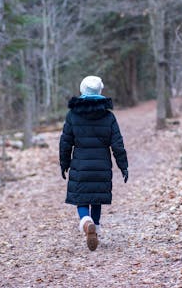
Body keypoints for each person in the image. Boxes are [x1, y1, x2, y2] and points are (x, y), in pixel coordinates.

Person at [59, 76, 128, 251]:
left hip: (80, 166)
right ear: (100, 91)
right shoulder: (108, 116)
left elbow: (65, 142)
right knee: (96, 198)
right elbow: (117, 144)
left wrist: (64, 163)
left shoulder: (73, 115)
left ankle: (86, 221)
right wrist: (123, 166)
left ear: (82, 90)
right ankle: (94, 228)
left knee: (82, 199)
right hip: (102, 166)